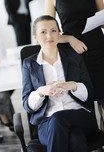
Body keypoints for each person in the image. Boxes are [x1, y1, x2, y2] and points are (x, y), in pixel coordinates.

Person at [22, 15, 98, 152]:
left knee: (59, 118)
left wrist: (73, 85)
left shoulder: (74, 57)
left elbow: (90, 93)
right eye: (43, 32)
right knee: (75, 138)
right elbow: (27, 105)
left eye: (53, 30)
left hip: (80, 115)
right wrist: (41, 91)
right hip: (47, 124)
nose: (49, 36)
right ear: (35, 37)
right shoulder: (29, 64)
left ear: (59, 34)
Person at [45, 0, 104, 102]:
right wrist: (70, 38)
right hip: (73, 54)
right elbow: (49, 34)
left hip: (99, 48)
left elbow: (102, 19)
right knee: (84, 102)